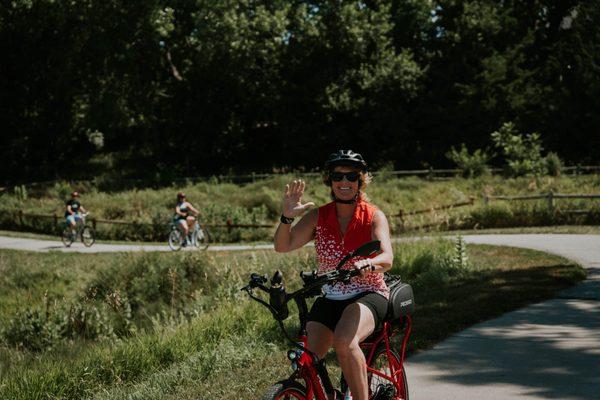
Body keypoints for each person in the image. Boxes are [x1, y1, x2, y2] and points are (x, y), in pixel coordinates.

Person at [274, 150, 394, 400]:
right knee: (308, 360)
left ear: (360, 181)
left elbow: (387, 258)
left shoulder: (373, 216)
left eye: (351, 176)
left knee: (344, 343)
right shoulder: (319, 216)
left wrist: (369, 264)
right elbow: (282, 245)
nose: (344, 182)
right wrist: (286, 217)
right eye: (338, 176)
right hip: (331, 295)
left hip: (369, 292)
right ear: (330, 180)